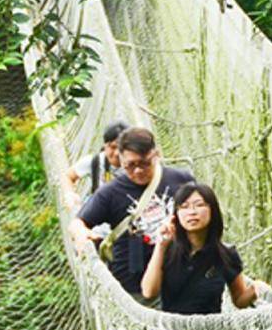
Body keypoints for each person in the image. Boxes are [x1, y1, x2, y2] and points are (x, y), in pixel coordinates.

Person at [68, 127, 193, 298]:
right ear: (121, 160)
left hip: (182, 277)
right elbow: (77, 223)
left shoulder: (181, 179)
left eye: (144, 163)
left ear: (156, 155)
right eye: (130, 165)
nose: (138, 171)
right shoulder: (110, 192)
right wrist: (82, 235)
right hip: (135, 287)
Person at [139, 182, 260, 314]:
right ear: (176, 215)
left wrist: (256, 290)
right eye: (184, 207)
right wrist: (161, 245)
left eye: (199, 205)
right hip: (171, 329)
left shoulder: (225, 254)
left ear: (212, 210)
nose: (192, 212)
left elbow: (239, 300)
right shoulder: (167, 250)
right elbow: (149, 292)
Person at [66, 121, 126, 199]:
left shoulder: (136, 164)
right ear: (105, 146)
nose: (117, 153)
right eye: (112, 147)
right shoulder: (95, 162)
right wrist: (70, 195)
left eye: (121, 147)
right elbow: (68, 176)